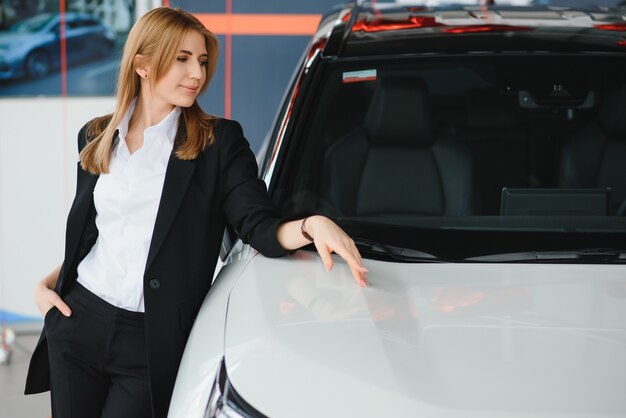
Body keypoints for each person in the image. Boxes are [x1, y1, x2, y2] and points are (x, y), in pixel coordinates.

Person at [24, 7, 367, 418]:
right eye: (183, 59)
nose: (198, 74)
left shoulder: (219, 143)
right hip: (79, 323)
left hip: (151, 342)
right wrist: (51, 285)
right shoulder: (97, 135)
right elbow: (102, 236)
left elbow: (257, 226)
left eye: (202, 61)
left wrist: (312, 225)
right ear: (143, 65)